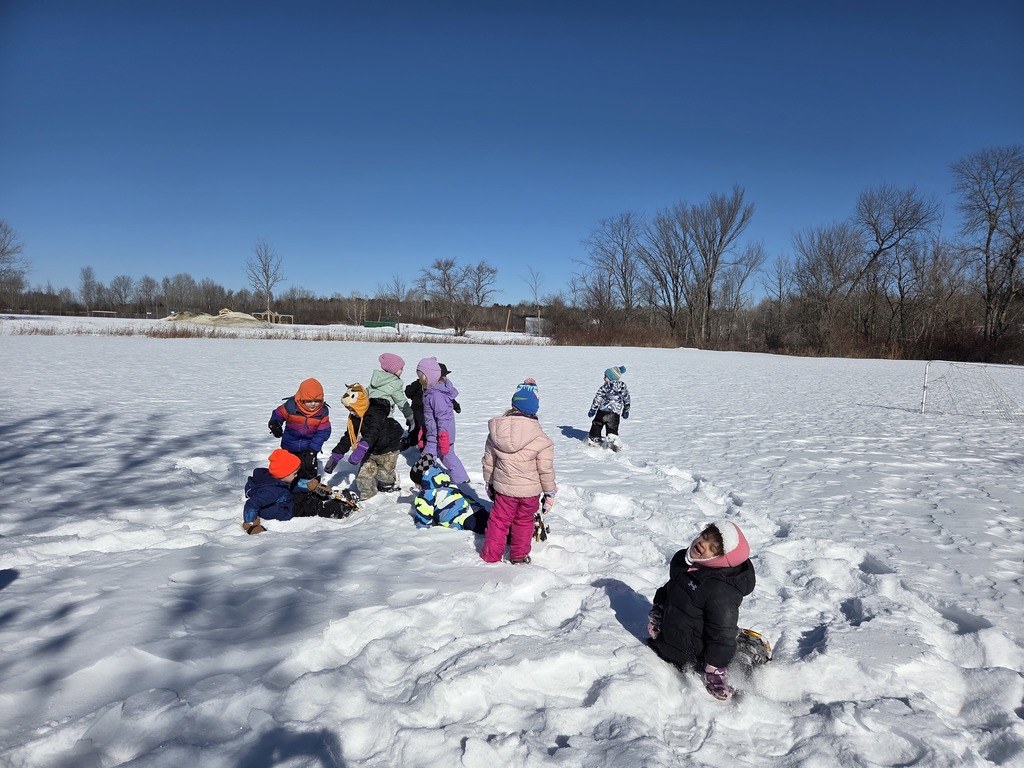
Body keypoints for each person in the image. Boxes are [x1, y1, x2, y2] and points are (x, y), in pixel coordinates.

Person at [647, 521, 756, 700]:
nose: (703, 544)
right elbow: (672, 588)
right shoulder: (686, 563)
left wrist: (715, 669)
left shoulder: (720, 591)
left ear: (722, 560)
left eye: (713, 548)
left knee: (724, 637)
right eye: (705, 537)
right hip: (666, 642)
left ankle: (745, 654)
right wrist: (659, 607)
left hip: (693, 657)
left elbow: (721, 634)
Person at [480, 379, 557, 564]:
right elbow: (545, 469)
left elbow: (488, 461)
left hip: (504, 491)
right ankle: (519, 556)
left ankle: (490, 556)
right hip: (529, 492)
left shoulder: (497, 433)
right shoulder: (542, 438)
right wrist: (549, 492)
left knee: (498, 521)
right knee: (524, 521)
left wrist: (489, 482)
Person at [323, 383, 404, 500]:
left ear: (360, 404)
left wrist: (362, 447)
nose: (350, 412)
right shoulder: (356, 418)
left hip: (388, 448)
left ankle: (390, 484)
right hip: (370, 451)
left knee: (384, 475)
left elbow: (374, 431)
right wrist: (336, 455)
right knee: (363, 478)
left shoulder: (377, 413)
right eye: (348, 409)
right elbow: (349, 437)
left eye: (352, 409)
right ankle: (369, 499)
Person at [241, 449, 351, 534]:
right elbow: (251, 504)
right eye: (294, 473)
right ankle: (331, 509)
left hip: (284, 499)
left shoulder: (279, 480)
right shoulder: (270, 491)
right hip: (286, 511)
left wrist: (308, 486)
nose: (297, 475)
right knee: (309, 507)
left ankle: (325, 497)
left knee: (304, 496)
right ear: (284, 474)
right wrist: (250, 525)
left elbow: (291, 484)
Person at [417, 357, 470, 484]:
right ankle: (462, 479)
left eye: (421, 377)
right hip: (436, 433)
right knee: (447, 456)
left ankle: (419, 478)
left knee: (429, 455)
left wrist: (443, 436)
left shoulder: (437, 395)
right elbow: (431, 415)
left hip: (439, 435)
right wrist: (424, 428)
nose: (419, 380)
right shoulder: (433, 391)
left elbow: (443, 417)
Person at [267, 378, 331, 479]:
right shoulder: (291, 406)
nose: (313, 404)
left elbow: (323, 432)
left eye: (317, 401)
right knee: (288, 471)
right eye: (309, 401)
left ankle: (310, 489)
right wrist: (275, 423)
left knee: (308, 468)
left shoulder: (322, 412)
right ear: (301, 398)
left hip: (308, 447)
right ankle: (286, 490)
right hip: (289, 446)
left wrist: (313, 450)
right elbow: (278, 414)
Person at [409, 453, 488, 532]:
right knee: (493, 525)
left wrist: (420, 526)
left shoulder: (426, 493)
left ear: (421, 480)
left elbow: (424, 514)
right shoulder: (448, 483)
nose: (417, 487)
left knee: (489, 531)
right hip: (477, 509)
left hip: (463, 518)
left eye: (416, 484)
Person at [403, 362, 459, 450]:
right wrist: (415, 397)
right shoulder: (420, 384)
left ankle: (421, 444)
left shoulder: (437, 390)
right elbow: (408, 391)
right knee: (417, 427)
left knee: (425, 428)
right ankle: (413, 441)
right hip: (419, 410)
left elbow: (447, 400)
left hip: (426, 412)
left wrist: (456, 405)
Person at [587, 366, 630, 449]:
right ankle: (612, 442)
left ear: (610, 377)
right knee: (612, 428)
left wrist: (593, 409)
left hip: (602, 411)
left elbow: (598, 398)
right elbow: (626, 399)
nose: (604, 378)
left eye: (605, 376)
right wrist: (626, 410)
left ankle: (594, 438)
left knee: (597, 424)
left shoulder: (604, 387)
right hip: (615, 413)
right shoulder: (622, 387)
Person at [367, 352, 414, 428]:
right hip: (385, 417)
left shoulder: (377, 379)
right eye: (401, 368)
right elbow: (401, 402)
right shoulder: (395, 383)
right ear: (393, 369)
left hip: (369, 415)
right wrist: (410, 417)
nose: (402, 371)